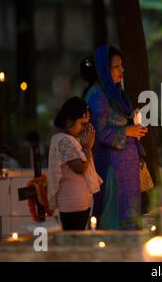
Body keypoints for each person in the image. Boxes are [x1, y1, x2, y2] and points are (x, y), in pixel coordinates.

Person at [81, 45, 148, 230]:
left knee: (129, 212)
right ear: (103, 68)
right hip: (112, 167)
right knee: (114, 214)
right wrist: (128, 131)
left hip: (126, 167)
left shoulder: (117, 94)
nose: (122, 70)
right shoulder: (97, 96)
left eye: (122, 65)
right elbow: (99, 132)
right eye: (116, 66)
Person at [47, 97, 103, 231]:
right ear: (69, 121)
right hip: (72, 205)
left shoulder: (69, 139)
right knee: (73, 240)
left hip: (78, 204)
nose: (84, 128)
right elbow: (80, 167)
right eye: (82, 124)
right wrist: (87, 148)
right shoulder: (63, 140)